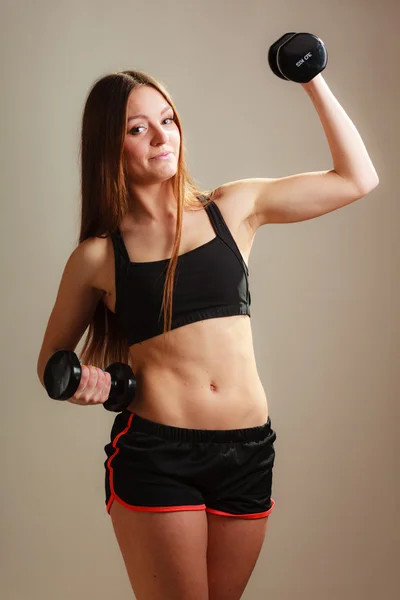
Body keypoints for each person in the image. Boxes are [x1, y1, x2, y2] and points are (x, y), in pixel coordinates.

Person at [37, 69, 378, 600]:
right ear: (109, 145)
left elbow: (357, 179)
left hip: (249, 451)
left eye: (168, 120)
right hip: (159, 455)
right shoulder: (100, 257)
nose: (160, 136)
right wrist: (82, 381)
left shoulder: (234, 209)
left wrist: (313, 79)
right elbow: (52, 360)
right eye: (137, 128)